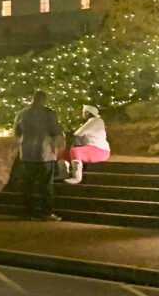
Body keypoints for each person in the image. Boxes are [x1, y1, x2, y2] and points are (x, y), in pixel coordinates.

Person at [13, 90, 63, 221]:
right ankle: (46, 212)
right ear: (44, 100)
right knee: (46, 184)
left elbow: (17, 131)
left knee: (27, 184)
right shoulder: (49, 114)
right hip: (44, 153)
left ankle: (28, 212)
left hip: (27, 153)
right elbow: (55, 130)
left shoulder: (22, 113)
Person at [58, 104, 110, 184]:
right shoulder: (92, 121)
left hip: (100, 150)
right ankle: (63, 174)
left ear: (87, 113)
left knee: (75, 151)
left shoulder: (96, 120)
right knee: (63, 153)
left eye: (83, 112)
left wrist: (73, 145)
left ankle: (77, 177)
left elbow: (77, 134)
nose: (82, 114)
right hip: (91, 149)